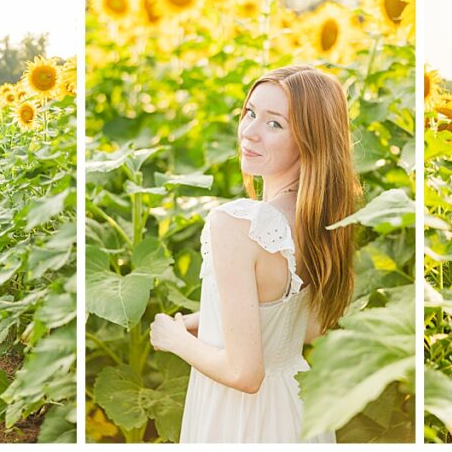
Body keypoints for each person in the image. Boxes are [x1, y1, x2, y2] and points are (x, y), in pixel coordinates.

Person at [149, 65, 362, 442]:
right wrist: (207, 317)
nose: (249, 131)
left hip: (238, 419)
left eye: (274, 124)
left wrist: (173, 337)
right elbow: (306, 327)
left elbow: (244, 374)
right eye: (250, 113)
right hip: (295, 412)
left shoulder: (236, 223)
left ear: (309, 140)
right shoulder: (321, 219)